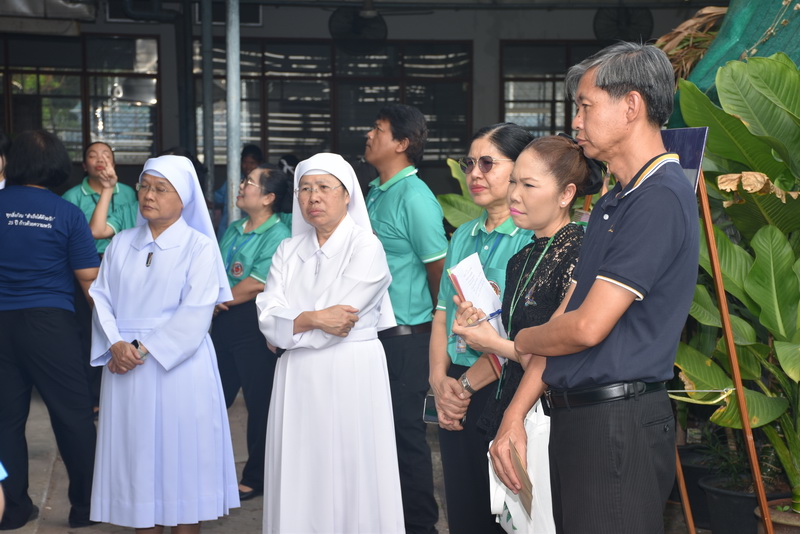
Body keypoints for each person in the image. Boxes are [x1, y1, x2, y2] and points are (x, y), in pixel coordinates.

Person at [472, 42, 700, 534]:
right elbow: (567, 315)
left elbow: (585, 326)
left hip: (617, 423)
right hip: (581, 418)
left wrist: (521, 340)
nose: (576, 121)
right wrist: (514, 416)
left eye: (586, 105)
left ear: (631, 106)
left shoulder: (658, 197)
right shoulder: (616, 200)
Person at [452, 135, 604, 533]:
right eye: (514, 182)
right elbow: (520, 336)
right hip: (513, 408)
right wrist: (482, 323)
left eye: (529, 185)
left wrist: (492, 342)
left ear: (566, 194)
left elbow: (558, 348)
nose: (515, 195)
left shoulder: (579, 251)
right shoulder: (521, 258)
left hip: (552, 420)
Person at [88, 155, 240, 532]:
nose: (148, 195)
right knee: (136, 460)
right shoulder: (121, 243)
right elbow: (101, 297)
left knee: (183, 459)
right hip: (125, 366)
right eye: (144, 186)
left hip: (178, 367)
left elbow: (196, 312)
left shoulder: (199, 247)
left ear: (184, 198)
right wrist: (115, 343)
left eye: (160, 188)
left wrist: (137, 349)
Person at [256, 152, 403, 533]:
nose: (313, 197)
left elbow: (341, 319)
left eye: (323, 187)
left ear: (347, 194)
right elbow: (268, 318)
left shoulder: (366, 246)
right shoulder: (288, 250)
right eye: (305, 189)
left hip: (351, 370)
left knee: (350, 469)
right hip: (296, 377)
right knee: (300, 467)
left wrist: (292, 327)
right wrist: (312, 318)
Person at [428, 123, 533, 533]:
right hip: (455, 388)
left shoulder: (531, 239)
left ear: (520, 168)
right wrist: (439, 382)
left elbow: (520, 336)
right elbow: (442, 313)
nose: (475, 173)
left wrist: (464, 387)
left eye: (488, 163)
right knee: (464, 505)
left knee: (506, 513)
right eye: (469, 163)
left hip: (506, 386)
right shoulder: (463, 236)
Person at [0, 130, 100, 530]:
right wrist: (113, 333)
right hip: (49, 325)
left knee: (5, 420)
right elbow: (89, 280)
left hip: (1, 324)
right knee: (73, 416)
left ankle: (12, 509)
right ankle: (85, 508)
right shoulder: (67, 213)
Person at [364, 103, 448, 534]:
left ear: (402, 143)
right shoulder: (374, 191)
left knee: (405, 436)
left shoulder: (414, 197)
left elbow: (438, 268)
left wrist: (437, 335)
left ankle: (420, 526)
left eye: (378, 129)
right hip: (372, 334)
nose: (369, 135)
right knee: (377, 437)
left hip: (406, 336)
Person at [211, 163, 292, 502]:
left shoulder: (278, 234)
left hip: (253, 324)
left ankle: (255, 477)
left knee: (260, 404)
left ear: (269, 197)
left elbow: (256, 283)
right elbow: (216, 269)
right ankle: (207, 470)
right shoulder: (235, 227)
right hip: (222, 321)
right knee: (214, 398)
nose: (241, 186)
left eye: (249, 182)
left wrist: (216, 300)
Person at [62, 141, 137, 254]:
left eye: (106, 156)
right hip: (87, 257)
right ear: (84, 166)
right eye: (93, 156)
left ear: (113, 165)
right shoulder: (71, 196)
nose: (100, 160)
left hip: (124, 255)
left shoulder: (128, 193)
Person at [215, 144, 264, 238]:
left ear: (260, 163)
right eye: (244, 162)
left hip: (249, 233)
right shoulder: (233, 180)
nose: (247, 166)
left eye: (252, 163)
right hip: (226, 231)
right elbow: (217, 198)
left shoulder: (262, 185)